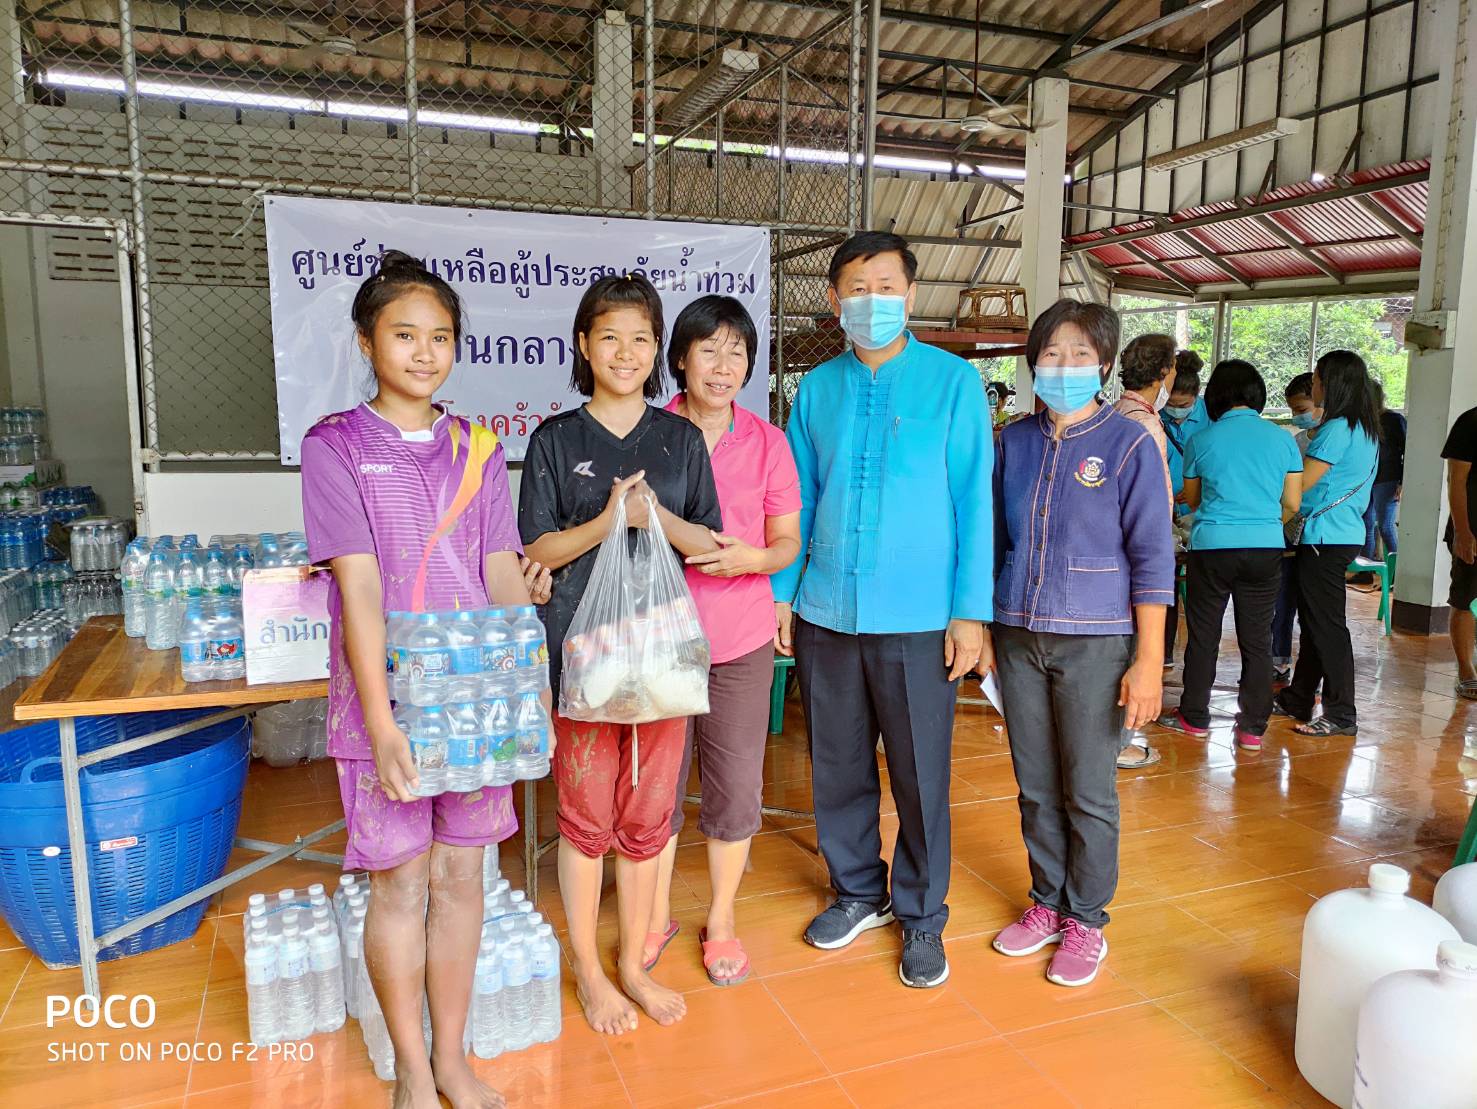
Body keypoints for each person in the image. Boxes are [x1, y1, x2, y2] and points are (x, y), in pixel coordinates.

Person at [301, 250, 552, 1109]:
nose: (423, 351)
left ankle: (451, 1055)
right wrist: (380, 721)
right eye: (403, 334)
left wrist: (530, 678)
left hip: (477, 704)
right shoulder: (333, 445)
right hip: (390, 705)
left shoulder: (479, 446)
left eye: (439, 336)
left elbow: (499, 570)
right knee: (400, 881)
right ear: (367, 341)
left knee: (462, 879)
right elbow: (359, 584)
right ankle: (409, 1063)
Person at [774, 231, 993, 989]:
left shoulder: (953, 382)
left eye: (887, 285)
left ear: (910, 294)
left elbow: (973, 499)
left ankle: (922, 914)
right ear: (834, 301)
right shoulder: (818, 388)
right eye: (857, 288)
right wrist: (782, 593)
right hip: (827, 608)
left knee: (918, 774)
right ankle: (856, 891)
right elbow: (795, 498)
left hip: (920, 615)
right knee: (834, 763)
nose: (873, 301)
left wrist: (970, 612)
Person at [518, 274, 723, 1035]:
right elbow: (536, 546)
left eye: (640, 337)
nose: (626, 352)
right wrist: (608, 518)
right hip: (582, 655)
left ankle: (634, 961)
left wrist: (654, 514)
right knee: (584, 816)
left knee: (648, 817)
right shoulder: (555, 439)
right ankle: (587, 966)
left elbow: (707, 541)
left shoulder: (679, 440)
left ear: (655, 349)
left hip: (662, 661)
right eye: (609, 336)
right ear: (582, 345)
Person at [990, 299, 1173, 988]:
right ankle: (1046, 900)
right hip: (1018, 634)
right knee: (1035, 785)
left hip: (1097, 642)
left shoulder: (1127, 443)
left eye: (1077, 354)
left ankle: (1086, 918)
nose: (1061, 366)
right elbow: (994, 541)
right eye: (1049, 354)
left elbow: (1154, 558)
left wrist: (1148, 661)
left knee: (1088, 788)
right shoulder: (1013, 442)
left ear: (1102, 362)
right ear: (1032, 362)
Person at [647, 296, 801, 986]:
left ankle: (723, 917)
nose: (723, 365)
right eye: (707, 349)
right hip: (654, 635)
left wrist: (756, 563)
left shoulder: (767, 440)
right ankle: (652, 915)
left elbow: (786, 540)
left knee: (734, 786)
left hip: (738, 639)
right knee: (653, 785)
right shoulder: (650, 432)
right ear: (679, 358)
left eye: (736, 351)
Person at [1157, 360, 1303, 753]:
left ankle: (1194, 717)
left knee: (1204, 636)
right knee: (1257, 639)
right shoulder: (1283, 439)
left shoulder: (1202, 441)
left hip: (1213, 546)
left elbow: (1196, 499)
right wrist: (1265, 523)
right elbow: (1291, 501)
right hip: (1265, 547)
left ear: (1216, 397)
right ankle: (1253, 727)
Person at [1273, 350, 1380, 738]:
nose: (1314, 384)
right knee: (1317, 622)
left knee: (1327, 626)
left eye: (1317, 378)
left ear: (1331, 383)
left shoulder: (1337, 429)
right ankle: (1298, 697)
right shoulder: (1365, 428)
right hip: (1343, 534)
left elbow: (1301, 486)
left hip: (1323, 535)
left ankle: (1341, 712)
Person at [1111, 332, 1176, 769]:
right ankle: (1126, 740)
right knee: (1135, 648)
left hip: (1114, 546)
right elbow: (1152, 500)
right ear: (1164, 373)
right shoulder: (1146, 423)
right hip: (1136, 546)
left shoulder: (1115, 412)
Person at [1160, 350, 1211, 666]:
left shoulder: (1210, 416)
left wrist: (1195, 492)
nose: (1176, 411)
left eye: (1183, 406)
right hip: (1163, 508)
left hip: (1198, 508)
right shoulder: (1154, 415)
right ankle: (1163, 650)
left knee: (1200, 579)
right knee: (1164, 579)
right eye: (1171, 405)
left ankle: (1198, 654)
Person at [1272, 372, 1321, 683]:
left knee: (1312, 606)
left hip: (1318, 533)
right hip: (1289, 530)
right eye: (1292, 410)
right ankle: (1279, 660)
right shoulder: (1297, 442)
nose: (1297, 417)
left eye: (1302, 409)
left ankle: (1313, 670)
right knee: (1282, 597)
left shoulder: (1337, 440)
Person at [1440, 406, 1477, 699]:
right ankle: (1466, 671)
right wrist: (1463, 532)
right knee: (1465, 597)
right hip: (1473, 530)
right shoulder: (1471, 422)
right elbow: (1456, 480)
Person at [1358, 381, 1405, 564]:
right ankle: (1366, 569)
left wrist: (1402, 481)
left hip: (1388, 478)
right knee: (1366, 524)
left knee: (1385, 526)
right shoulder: (1364, 421)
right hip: (1366, 478)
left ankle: (1396, 573)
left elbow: (1407, 450)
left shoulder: (1394, 420)